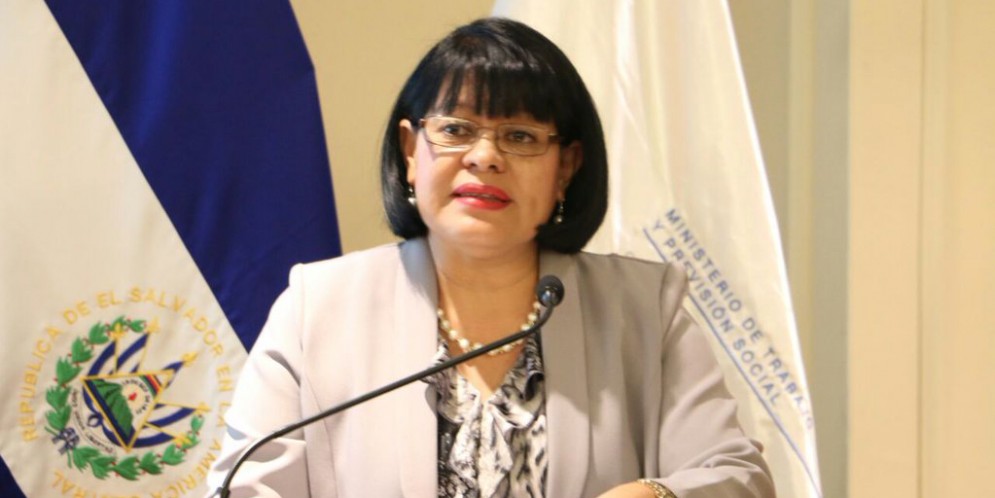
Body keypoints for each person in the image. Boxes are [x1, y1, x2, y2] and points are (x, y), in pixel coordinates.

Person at [207, 17, 775, 498]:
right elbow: (244, 486)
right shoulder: (319, 308)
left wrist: (656, 495)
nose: (485, 157)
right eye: (456, 129)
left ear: (566, 167)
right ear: (410, 152)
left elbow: (738, 477)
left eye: (521, 136)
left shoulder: (643, 310)